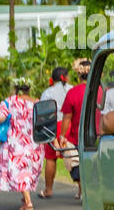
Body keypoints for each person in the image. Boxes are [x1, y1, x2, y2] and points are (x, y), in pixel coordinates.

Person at [0, 80, 43, 210]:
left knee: (19, 171)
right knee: (28, 170)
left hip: (16, 143)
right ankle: (25, 196)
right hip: (34, 143)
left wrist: (9, 115)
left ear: (16, 88)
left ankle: (28, 202)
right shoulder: (37, 102)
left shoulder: (10, 101)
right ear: (29, 89)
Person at [57, 58, 90, 199]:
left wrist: (62, 136)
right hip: (99, 136)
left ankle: (83, 191)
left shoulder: (73, 93)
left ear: (79, 75)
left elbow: (67, 118)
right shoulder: (102, 91)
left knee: (77, 164)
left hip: (77, 136)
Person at [38, 67, 71, 198]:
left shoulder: (47, 92)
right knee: (75, 157)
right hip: (69, 125)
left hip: (52, 126)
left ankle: (48, 189)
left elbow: (42, 114)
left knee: (51, 158)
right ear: (65, 77)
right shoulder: (71, 89)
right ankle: (80, 191)